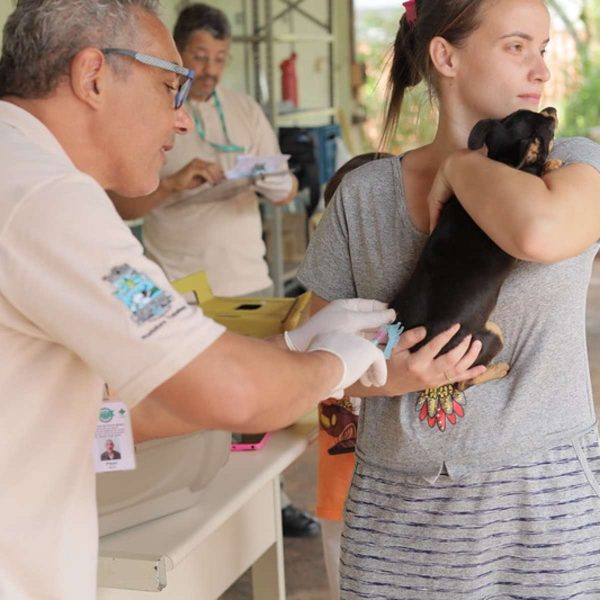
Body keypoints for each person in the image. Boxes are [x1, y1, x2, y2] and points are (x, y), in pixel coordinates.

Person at [0, 2, 484, 598]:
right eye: (168, 86)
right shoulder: (45, 200)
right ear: (93, 75)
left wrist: (286, 348)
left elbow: (106, 414)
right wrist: (333, 364)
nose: (180, 121)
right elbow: (227, 391)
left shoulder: (19, 174)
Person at [297, 0, 600, 597]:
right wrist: (388, 377)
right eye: (517, 46)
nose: (540, 70)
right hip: (399, 516)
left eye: (542, 49)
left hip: (545, 510)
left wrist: (461, 171)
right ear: (445, 55)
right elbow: (312, 363)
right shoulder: (364, 198)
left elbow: (538, 233)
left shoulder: (573, 163)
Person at [110, 2, 298, 297]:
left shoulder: (246, 109)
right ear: (176, 53)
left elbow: (287, 190)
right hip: (180, 290)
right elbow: (121, 207)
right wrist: (172, 185)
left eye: (220, 59)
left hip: (249, 282)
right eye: (199, 57)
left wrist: (278, 184)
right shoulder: (147, 113)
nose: (210, 70)